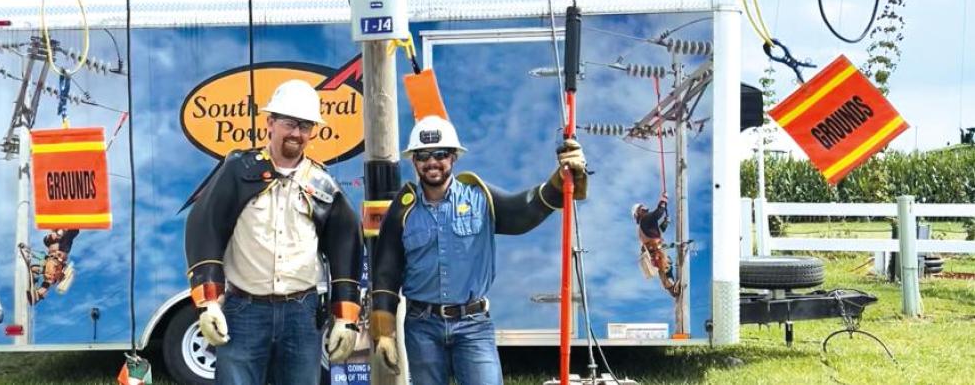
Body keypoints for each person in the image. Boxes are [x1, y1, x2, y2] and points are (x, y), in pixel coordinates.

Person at [368, 116, 588, 384]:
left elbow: (523, 211)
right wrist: (385, 330)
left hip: (473, 325)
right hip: (421, 326)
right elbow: (386, 270)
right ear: (414, 161)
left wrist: (559, 182)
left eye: (440, 154)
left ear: (454, 158)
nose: (432, 162)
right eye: (423, 155)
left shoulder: (480, 197)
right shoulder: (402, 210)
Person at [184, 79, 363, 385]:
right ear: (270, 123)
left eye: (305, 126)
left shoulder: (321, 184)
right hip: (244, 312)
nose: (297, 133)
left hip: (302, 314)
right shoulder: (238, 172)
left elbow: (345, 245)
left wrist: (346, 318)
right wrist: (209, 302)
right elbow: (205, 228)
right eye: (290, 123)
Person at [632, 196, 673, 283]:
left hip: (655, 252)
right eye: (641, 207)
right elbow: (657, 214)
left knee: (665, 268)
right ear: (639, 212)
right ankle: (672, 285)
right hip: (657, 250)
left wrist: (665, 223)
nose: (644, 207)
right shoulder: (645, 219)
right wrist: (663, 201)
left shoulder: (643, 225)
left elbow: (657, 232)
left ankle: (671, 285)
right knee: (666, 267)